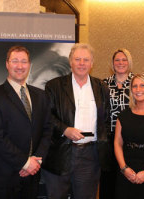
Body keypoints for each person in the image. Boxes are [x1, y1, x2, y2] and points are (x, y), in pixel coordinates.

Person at [0, 45, 52, 199]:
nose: (20, 66)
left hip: (32, 176)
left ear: (29, 65)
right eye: (15, 61)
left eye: (24, 62)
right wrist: (25, 163)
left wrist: (36, 161)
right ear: (7, 64)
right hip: (3, 177)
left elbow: (47, 130)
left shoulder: (41, 96)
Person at [41, 43, 111, 199]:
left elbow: (105, 120)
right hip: (60, 153)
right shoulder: (54, 86)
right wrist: (65, 129)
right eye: (77, 59)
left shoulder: (101, 87)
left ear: (92, 63)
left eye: (86, 60)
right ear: (70, 61)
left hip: (90, 155)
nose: (81, 63)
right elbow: (46, 117)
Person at [100, 48, 134, 199]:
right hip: (108, 136)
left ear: (129, 62)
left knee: (128, 173)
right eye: (117, 60)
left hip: (131, 136)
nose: (121, 63)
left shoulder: (137, 82)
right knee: (108, 175)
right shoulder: (103, 84)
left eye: (124, 59)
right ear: (112, 64)